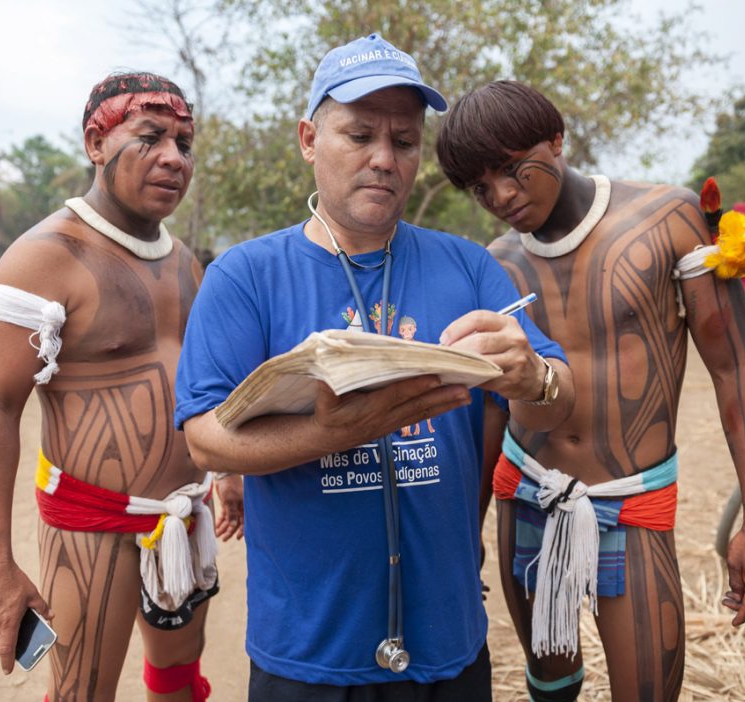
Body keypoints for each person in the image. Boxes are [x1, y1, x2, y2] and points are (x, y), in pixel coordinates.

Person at [175, 34, 575, 701]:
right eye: (358, 135)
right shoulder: (246, 276)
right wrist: (333, 432)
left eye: (405, 141)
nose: (383, 160)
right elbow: (203, 437)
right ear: (309, 138)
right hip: (307, 650)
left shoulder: (471, 267)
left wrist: (534, 376)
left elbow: (561, 402)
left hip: (446, 643)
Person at [435, 80, 745, 701]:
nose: (503, 196)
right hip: (527, 494)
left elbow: (734, 370)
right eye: (482, 187)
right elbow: (492, 406)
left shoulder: (667, 220)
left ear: (557, 140)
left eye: (516, 170)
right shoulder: (498, 261)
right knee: (550, 686)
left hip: (632, 501)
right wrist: (466, 537)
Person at [0, 72, 243, 701]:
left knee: (177, 676)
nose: (174, 156)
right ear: (96, 142)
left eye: (184, 143)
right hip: (91, 525)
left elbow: (201, 384)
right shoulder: (45, 256)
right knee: (82, 692)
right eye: (150, 137)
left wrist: (227, 473)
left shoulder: (184, 260)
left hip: (182, 514)